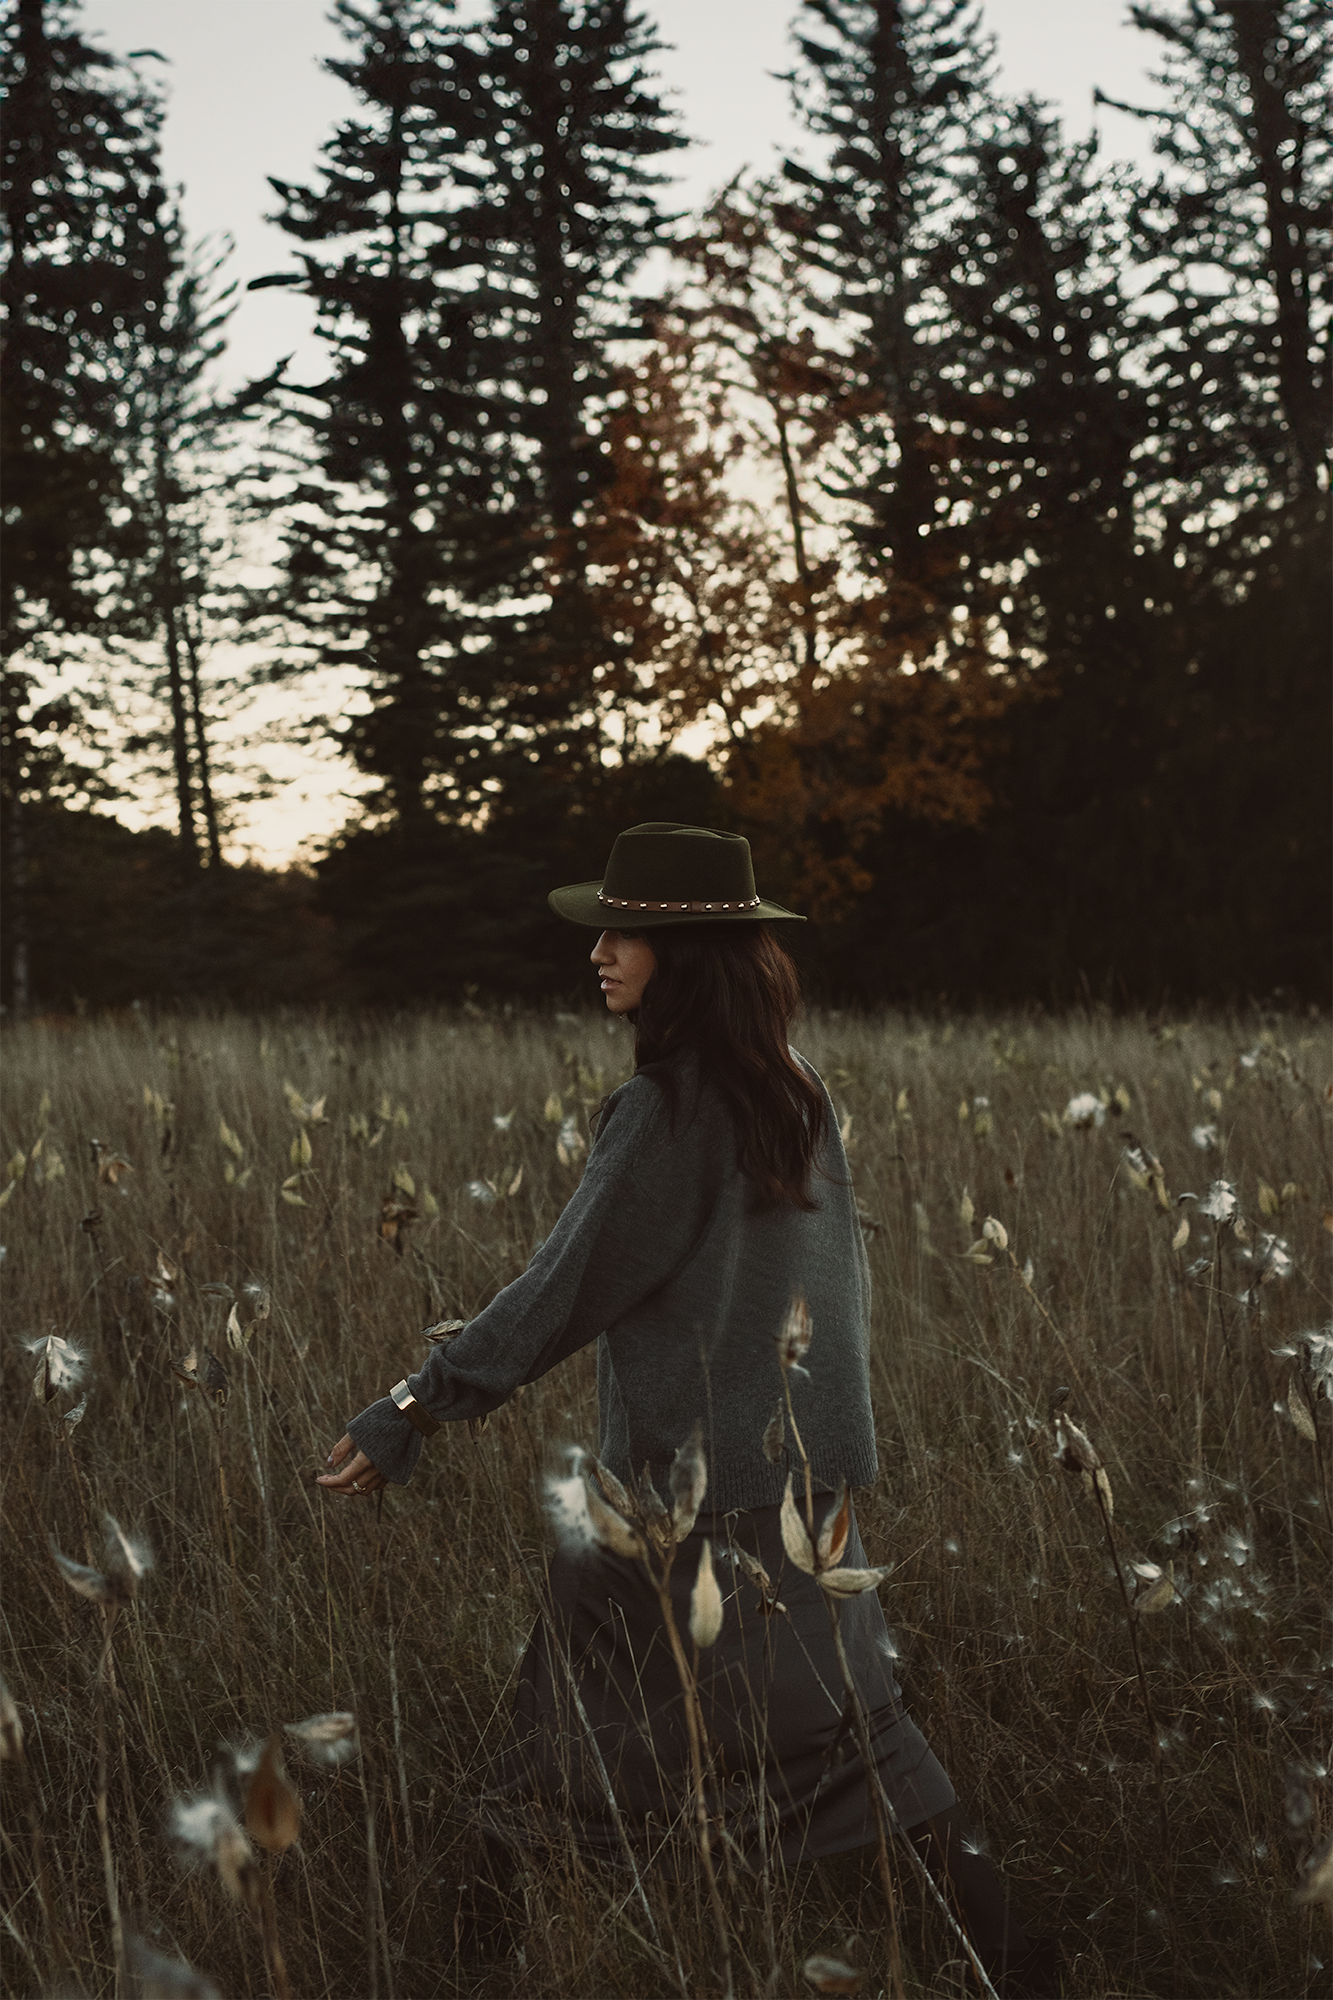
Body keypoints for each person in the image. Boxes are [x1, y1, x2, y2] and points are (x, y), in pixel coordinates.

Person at [318, 822, 1060, 1996]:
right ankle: (1014, 1964)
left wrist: (414, 1400)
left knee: (564, 1743)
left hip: (676, 1505)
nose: (599, 952)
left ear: (691, 953)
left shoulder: (662, 1111)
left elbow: (561, 1287)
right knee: (858, 1742)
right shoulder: (794, 1086)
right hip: (804, 1493)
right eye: (601, 929)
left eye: (626, 933)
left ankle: (450, 1957)